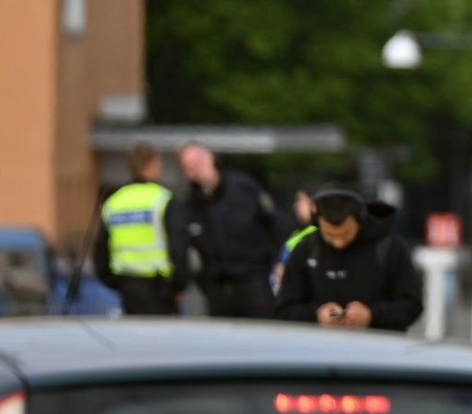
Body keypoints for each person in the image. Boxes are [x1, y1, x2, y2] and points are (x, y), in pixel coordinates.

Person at [273, 186, 422, 331]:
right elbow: (285, 307)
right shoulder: (307, 248)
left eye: (346, 234)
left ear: (359, 219)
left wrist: (372, 315)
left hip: (378, 348)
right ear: (318, 223)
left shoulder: (389, 247)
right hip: (319, 348)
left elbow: (412, 304)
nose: (339, 242)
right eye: (330, 235)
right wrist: (316, 315)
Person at [179, 142, 284, 318]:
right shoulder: (191, 205)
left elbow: (276, 223)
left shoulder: (243, 187)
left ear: (210, 156)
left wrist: (278, 261)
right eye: (190, 167)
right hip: (218, 288)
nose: (196, 169)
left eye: (198, 161)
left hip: (253, 280)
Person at [91, 143, 188, 316]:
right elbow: (178, 246)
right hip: (161, 289)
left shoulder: (114, 202)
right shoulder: (163, 199)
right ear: (153, 164)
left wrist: (116, 282)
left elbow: (100, 252)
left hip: (128, 287)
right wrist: (179, 285)